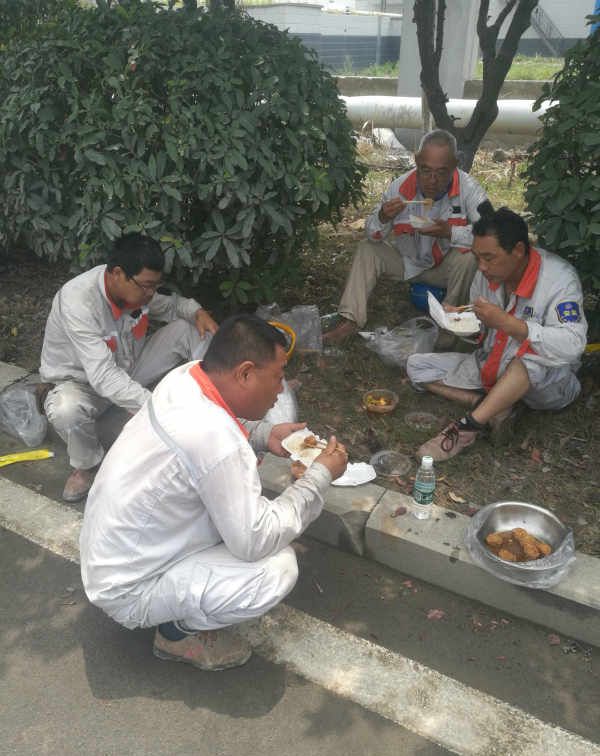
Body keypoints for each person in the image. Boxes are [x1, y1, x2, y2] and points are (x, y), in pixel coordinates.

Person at [79, 315, 348, 671]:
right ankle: (175, 635)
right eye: (278, 377)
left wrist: (262, 434)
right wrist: (319, 477)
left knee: (236, 515)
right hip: (129, 590)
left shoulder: (186, 377)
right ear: (245, 373)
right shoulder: (218, 442)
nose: (280, 390)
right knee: (276, 569)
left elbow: (215, 429)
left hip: (113, 557)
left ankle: (176, 602)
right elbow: (255, 540)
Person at [39, 233, 218, 502]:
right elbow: (103, 377)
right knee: (66, 409)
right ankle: (87, 465)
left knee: (191, 328)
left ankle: (215, 403)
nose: (151, 293)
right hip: (81, 385)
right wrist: (159, 410)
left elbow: (174, 306)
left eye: (155, 286)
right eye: (146, 286)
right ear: (117, 274)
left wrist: (197, 312)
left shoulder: (137, 290)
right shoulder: (78, 302)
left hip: (127, 369)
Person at [406, 207, 588, 461]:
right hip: (493, 364)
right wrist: (461, 321)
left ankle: (467, 427)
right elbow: (481, 331)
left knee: (529, 356)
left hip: (549, 382)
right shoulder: (486, 275)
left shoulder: (559, 279)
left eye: (489, 258)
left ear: (518, 250)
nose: (481, 266)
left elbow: (573, 344)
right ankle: (491, 405)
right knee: (416, 366)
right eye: (477, 257)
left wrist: (509, 324)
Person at [323, 129, 488, 342]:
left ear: (455, 164)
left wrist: (450, 232)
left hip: (445, 269)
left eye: (441, 172)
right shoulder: (399, 188)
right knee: (367, 248)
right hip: (407, 264)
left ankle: (449, 326)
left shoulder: (469, 189)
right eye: (425, 170)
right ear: (416, 161)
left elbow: (491, 234)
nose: (433, 180)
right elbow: (373, 235)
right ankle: (350, 320)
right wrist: (382, 217)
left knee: (469, 257)